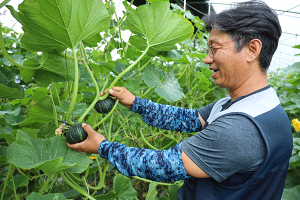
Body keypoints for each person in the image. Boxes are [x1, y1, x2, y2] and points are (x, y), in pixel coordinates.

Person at [67, 0, 293, 199]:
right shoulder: (250, 105)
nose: (207, 59)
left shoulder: (241, 129)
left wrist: (103, 147)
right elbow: (187, 119)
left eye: (214, 49)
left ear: (252, 49)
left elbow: (163, 165)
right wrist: (136, 103)